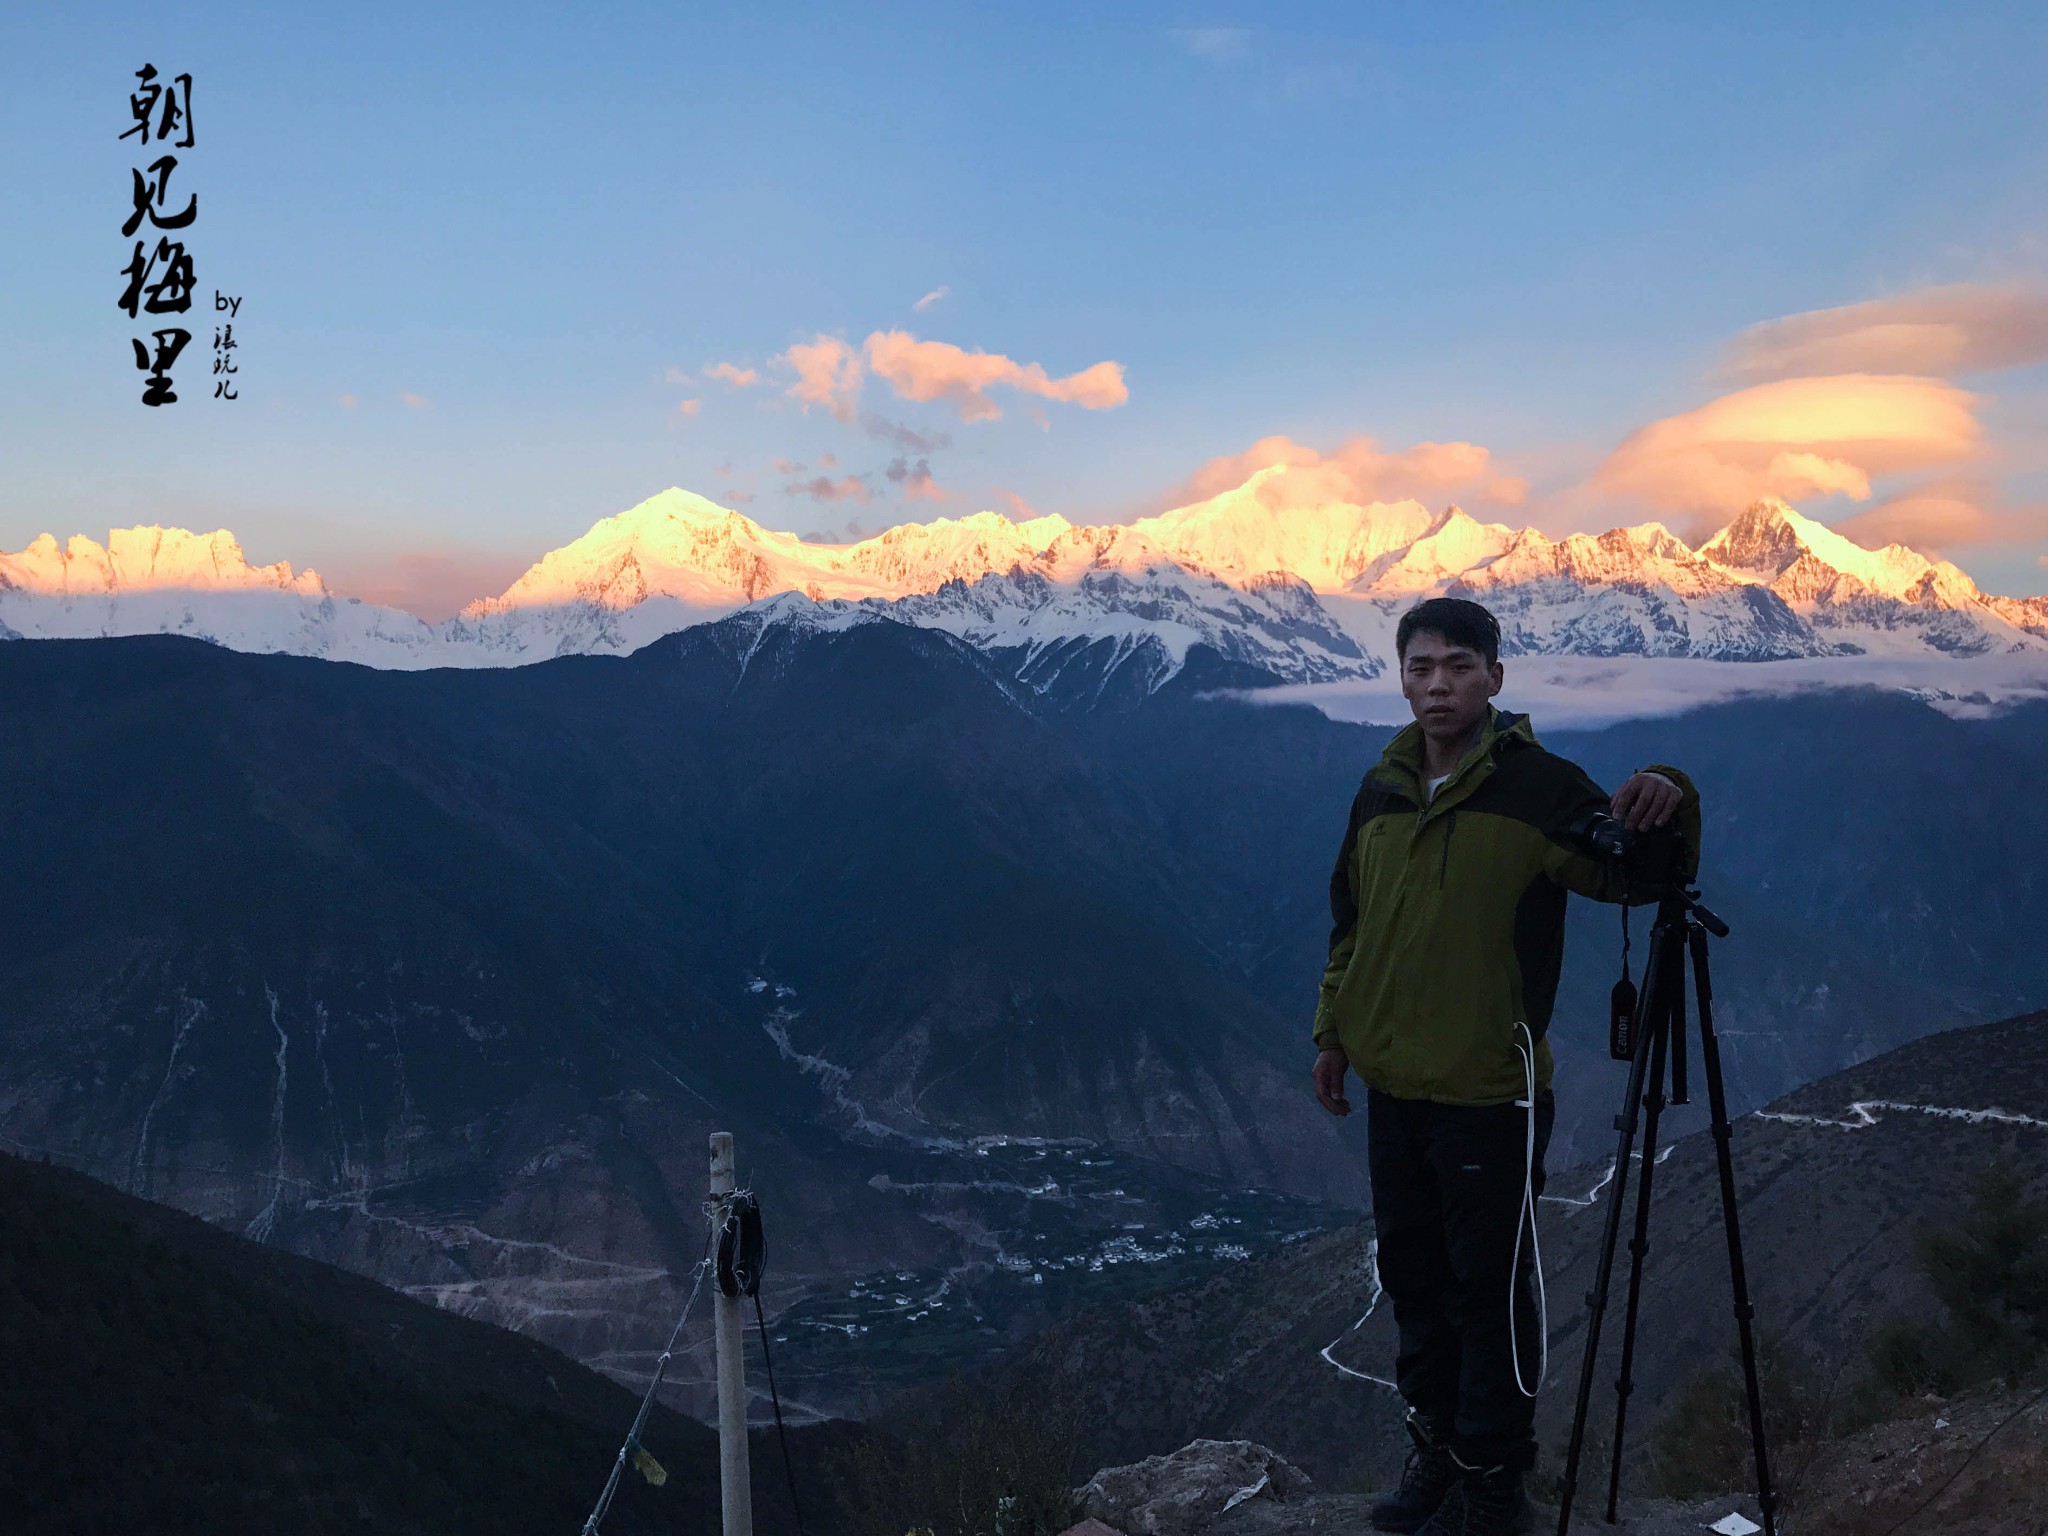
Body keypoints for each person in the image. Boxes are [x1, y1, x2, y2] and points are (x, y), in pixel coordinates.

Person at [1311, 597, 1701, 1536]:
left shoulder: (1538, 788)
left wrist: (1673, 791)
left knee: (1487, 1292)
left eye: (1455, 666)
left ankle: (1493, 1478)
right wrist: (1333, 1035)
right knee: (1413, 1278)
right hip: (1393, 1088)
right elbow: (1351, 926)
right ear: (1400, 676)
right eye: (1419, 668)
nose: (1436, 684)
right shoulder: (1382, 790)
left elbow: (1636, 877)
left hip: (1493, 1091)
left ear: (1495, 675)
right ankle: (1437, 1456)